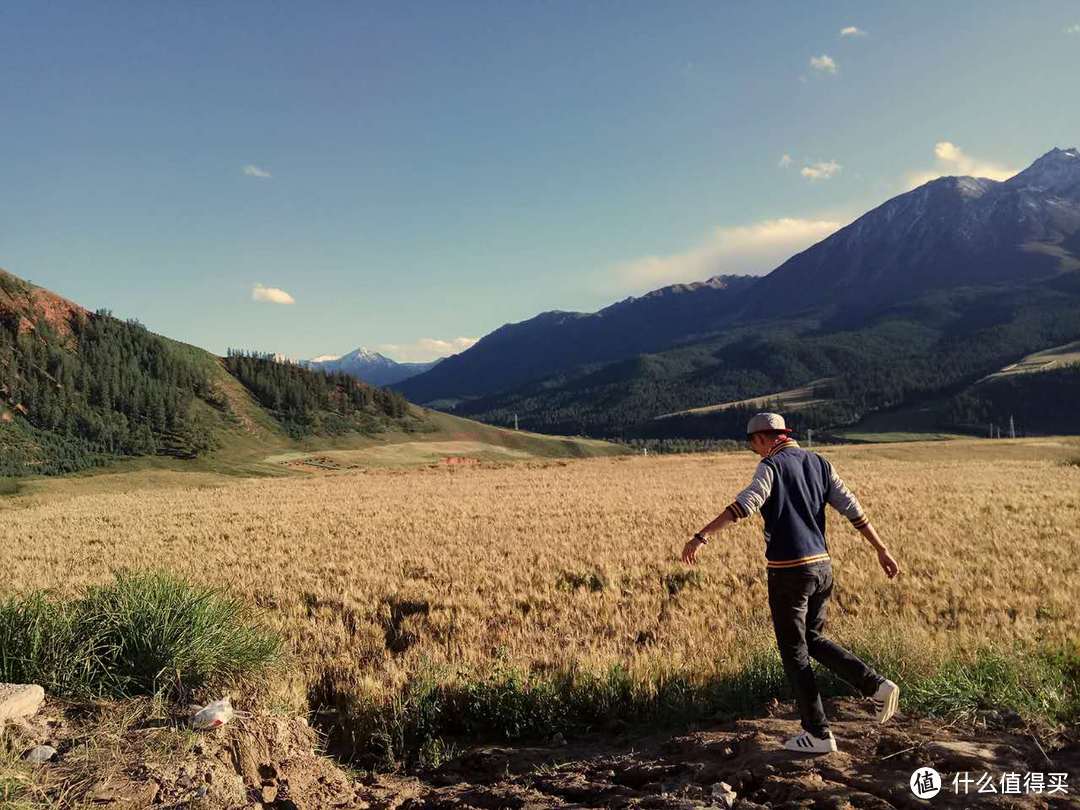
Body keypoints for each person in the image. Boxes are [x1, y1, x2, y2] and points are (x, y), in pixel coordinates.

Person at [682, 412, 900, 754]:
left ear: (764, 439)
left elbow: (746, 504)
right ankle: (876, 685)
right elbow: (853, 509)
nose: (755, 451)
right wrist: (881, 549)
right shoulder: (821, 464)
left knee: (794, 652)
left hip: (789, 572)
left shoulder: (771, 466)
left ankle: (817, 733)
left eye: (754, 444)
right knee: (812, 639)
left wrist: (701, 536)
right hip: (822, 568)